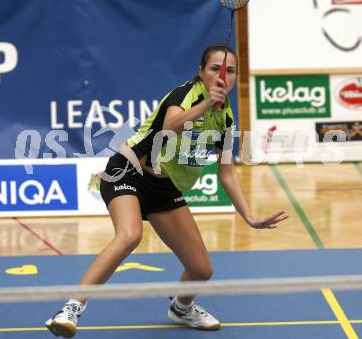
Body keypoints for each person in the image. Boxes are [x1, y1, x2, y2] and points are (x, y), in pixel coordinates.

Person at [45, 44, 288, 338]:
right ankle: (71, 309)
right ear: (201, 72)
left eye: (230, 70)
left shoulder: (225, 119)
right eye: (215, 68)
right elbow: (169, 127)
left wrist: (249, 216)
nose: (223, 75)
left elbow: (227, 172)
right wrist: (204, 106)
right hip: (129, 168)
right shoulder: (186, 94)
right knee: (130, 235)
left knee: (201, 270)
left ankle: (182, 308)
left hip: (163, 187)